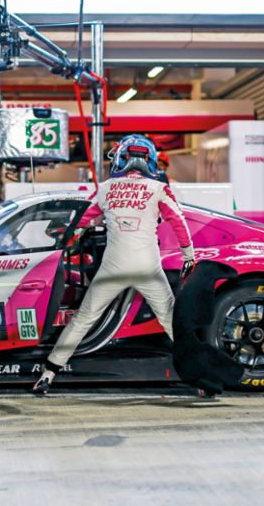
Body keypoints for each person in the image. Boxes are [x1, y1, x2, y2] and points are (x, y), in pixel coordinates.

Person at [32, 134, 195, 394]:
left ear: (120, 159)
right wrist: (189, 256)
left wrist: (61, 243)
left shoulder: (106, 188)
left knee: (83, 320)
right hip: (148, 269)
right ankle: (199, 375)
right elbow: (179, 222)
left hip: (112, 269)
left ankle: (49, 373)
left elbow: (81, 224)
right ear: (151, 161)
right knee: (171, 321)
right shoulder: (159, 189)